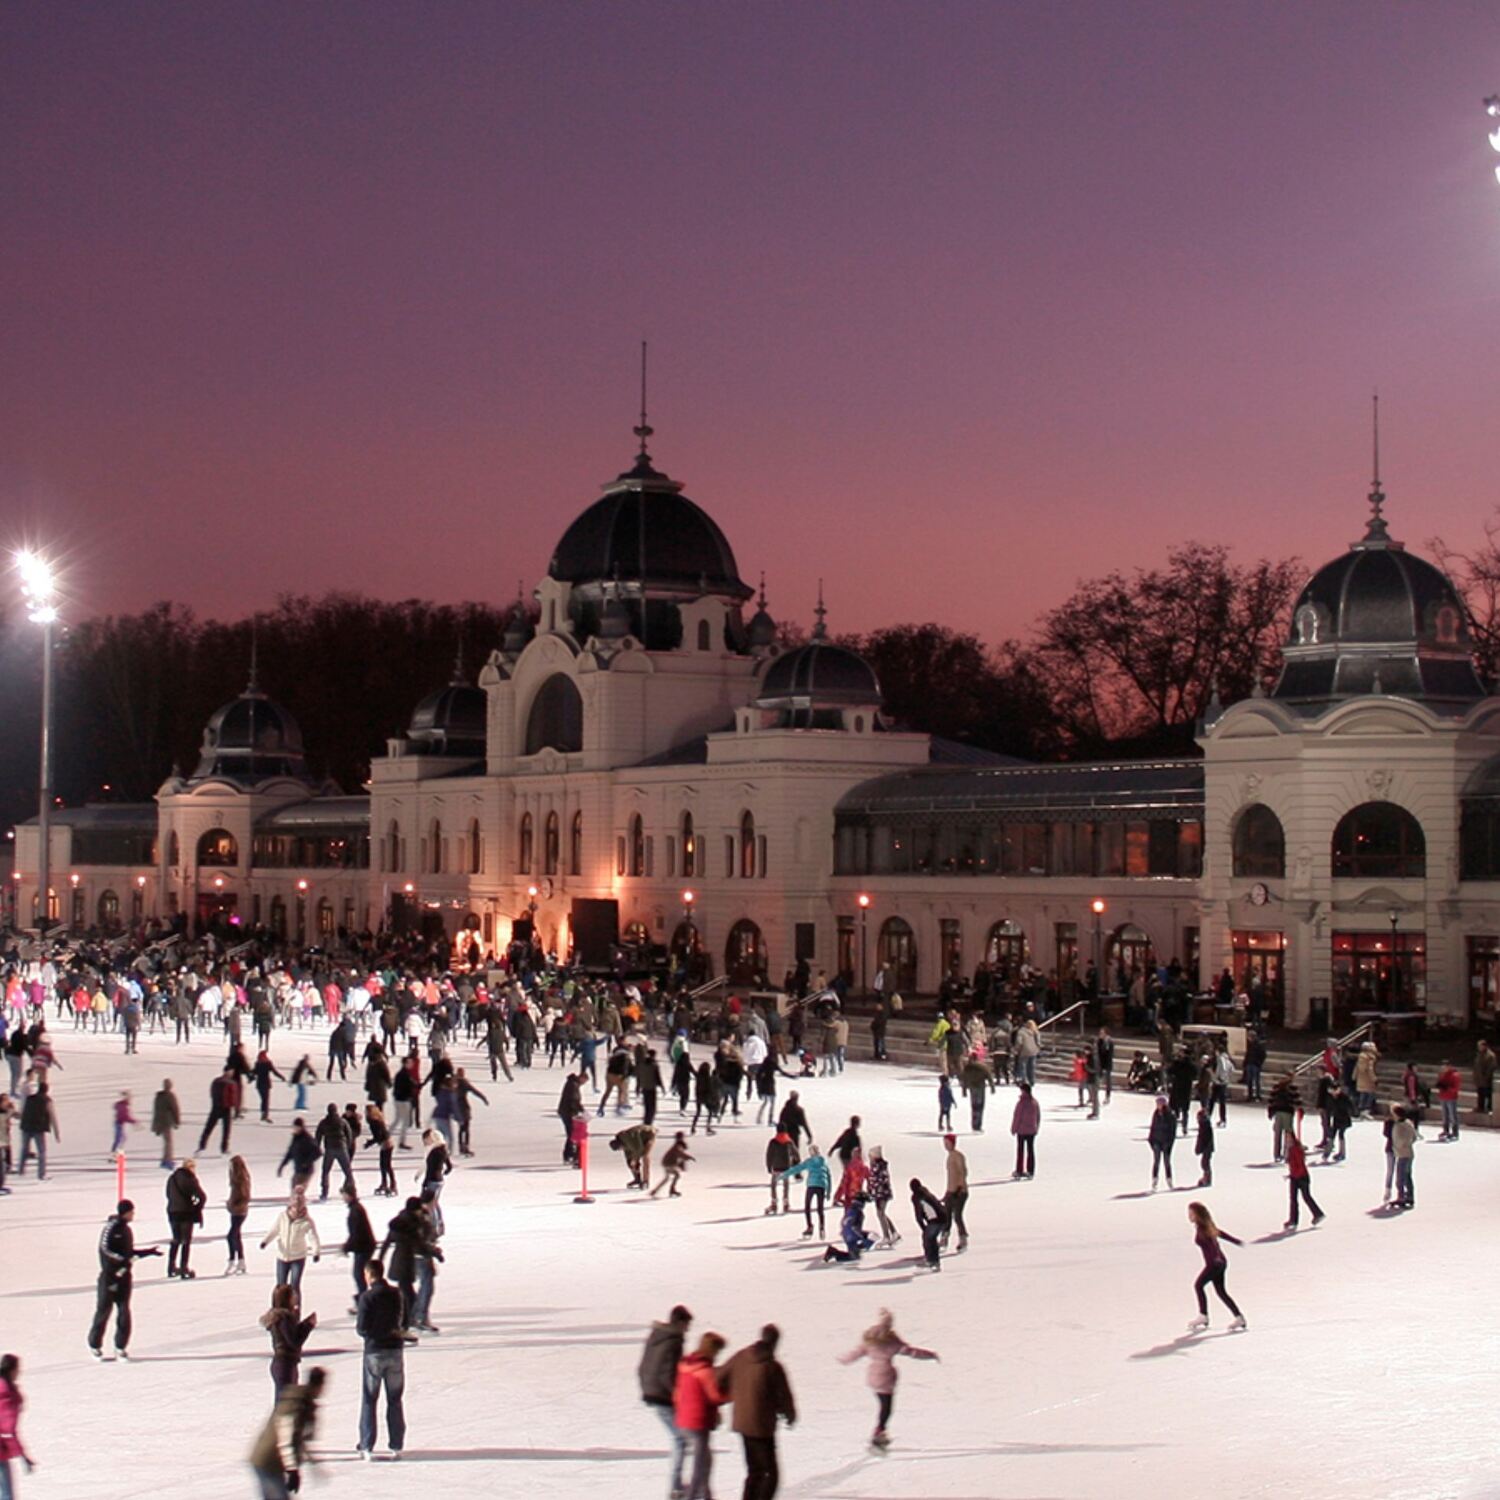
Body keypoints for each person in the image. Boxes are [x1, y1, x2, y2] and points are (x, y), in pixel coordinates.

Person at [837, 1308, 938, 1449]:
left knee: (883, 1405)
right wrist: (930, 1354)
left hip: (873, 1376)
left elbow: (856, 1353)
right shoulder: (892, 1342)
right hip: (886, 1377)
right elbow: (911, 1352)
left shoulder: (869, 1341)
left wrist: (844, 1359)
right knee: (886, 1407)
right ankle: (879, 1432)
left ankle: (880, 1431)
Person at [719, 1323, 796, 1500]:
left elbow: (719, 1377)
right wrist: (789, 1415)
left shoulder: (741, 1356)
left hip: (742, 1422)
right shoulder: (772, 1366)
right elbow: (783, 1395)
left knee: (755, 1472)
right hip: (761, 1426)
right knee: (770, 1474)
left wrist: (734, 1394)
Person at [88, 1200, 161, 1360]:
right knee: (104, 1311)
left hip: (124, 1277)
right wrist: (120, 1260)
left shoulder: (126, 1230)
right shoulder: (111, 1228)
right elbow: (105, 1249)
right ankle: (95, 1344)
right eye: (132, 1212)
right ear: (125, 1212)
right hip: (109, 1277)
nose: (133, 1215)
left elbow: (129, 1252)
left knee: (124, 1312)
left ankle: (120, 1346)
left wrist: (148, 1252)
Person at [638, 1304, 693, 1500]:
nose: (687, 1330)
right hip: (662, 1396)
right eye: (687, 1325)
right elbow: (668, 1374)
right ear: (680, 1322)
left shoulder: (656, 1336)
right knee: (681, 1438)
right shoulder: (674, 1341)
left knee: (682, 1437)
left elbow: (643, 1366)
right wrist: (680, 1397)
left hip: (651, 1391)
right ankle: (676, 1488)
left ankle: (678, 1486)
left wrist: (645, 1386)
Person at [249, 1364, 326, 1500]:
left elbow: (299, 1439)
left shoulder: (303, 1401)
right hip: (267, 1461)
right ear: (318, 1385)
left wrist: (312, 1463)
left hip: (270, 1461)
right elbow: (287, 1439)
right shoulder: (295, 1404)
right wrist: (292, 1470)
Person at [356, 1259, 407, 1460]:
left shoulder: (367, 1297)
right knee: (394, 1399)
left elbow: (361, 1328)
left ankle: (367, 1445)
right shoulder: (396, 1294)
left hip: (374, 1352)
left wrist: (371, 1333)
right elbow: (404, 1319)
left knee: (370, 1399)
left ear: (369, 1275)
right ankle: (396, 1444)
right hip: (395, 1350)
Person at [673, 1331, 728, 1500]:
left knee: (705, 1461)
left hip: (683, 1420)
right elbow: (715, 1396)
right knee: (700, 1466)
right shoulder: (704, 1370)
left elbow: (677, 1393)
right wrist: (733, 1395)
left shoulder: (684, 1364)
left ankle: (706, 1495)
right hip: (698, 1422)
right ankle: (695, 1496)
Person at [1186, 1201, 1246, 1332]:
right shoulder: (1205, 1225)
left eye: (1191, 1213)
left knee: (1198, 1285)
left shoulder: (1203, 1227)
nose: (1189, 1216)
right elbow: (1219, 1233)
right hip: (1219, 1262)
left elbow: (1213, 1245)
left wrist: (1216, 1257)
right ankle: (1238, 1317)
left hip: (1215, 1263)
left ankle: (1203, 1315)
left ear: (1197, 1215)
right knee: (1221, 1291)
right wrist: (1236, 1241)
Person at [261, 1283, 317, 1397]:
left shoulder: (281, 1316)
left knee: (284, 1401)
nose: (296, 1297)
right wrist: (308, 1325)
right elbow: (294, 1341)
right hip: (285, 1364)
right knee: (286, 1402)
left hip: (283, 1362)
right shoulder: (284, 1317)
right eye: (293, 1295)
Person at [261, 1191, 322, 1289]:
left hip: (298, 1257)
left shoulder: (307, 1221)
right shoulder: (282, 1217)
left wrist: (316, 1253)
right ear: (291, 1205)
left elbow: (313, 1238)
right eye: (295, 1206)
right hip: (282, 1256)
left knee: (295, 1285)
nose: (297, 1209)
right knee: (281, 1286)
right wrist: (265, 1241)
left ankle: (296, 1304)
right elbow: (275, 1230)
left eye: (299, 1207)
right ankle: (281, 1304)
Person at [164, 1156, 206, 1279]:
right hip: (186, 1213)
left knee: (176, 1239)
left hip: (172, 1211)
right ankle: (184, 1268)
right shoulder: (190, 1179)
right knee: (186, 1242)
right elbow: (202, 1196)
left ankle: (171, 1267)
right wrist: (197, 1207)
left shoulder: (172, 1178)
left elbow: (167, 1194)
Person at [0, 1352, 35, 1498]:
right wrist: (22, 1456)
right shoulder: (7, 1396)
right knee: (6, 1494)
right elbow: (7, 1431)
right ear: (12, 1370)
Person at [340, 1180, 377, 1311]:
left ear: (349, 1195)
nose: (342, 1197)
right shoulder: (356, 1208)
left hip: (364, 1247)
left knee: (358, 1274)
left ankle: (363, 1302)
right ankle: (362, 1300)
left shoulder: (356, 1211)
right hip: (364, 1246)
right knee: (359, 1274)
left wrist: (346, 1247)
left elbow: (356, 1233)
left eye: (343, 1194)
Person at [781, 1144, 831, 1238]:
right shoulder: (823, 1161)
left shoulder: (810, 1162)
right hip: (821, 1185)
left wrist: (784, 1175)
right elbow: (828, 1176)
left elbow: (797, 1168)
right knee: (820, 1208)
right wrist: (828, 1191)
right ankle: (821, 1227)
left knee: (807, 1207)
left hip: (812, 1185)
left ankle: (810, 1226)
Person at [16, 1082, 58, 1180]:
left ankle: (21, 1170)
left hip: (26, 1126)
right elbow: (53, 1116)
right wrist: (56, 1132)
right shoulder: (47, 1100)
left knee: (24, 1149)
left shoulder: (30, 1098)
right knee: (42, 1151)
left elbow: (23, 1112)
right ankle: (41, 1174)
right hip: (38, 1128)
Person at [1284, 1131, 1324, 1230]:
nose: (1287, 1141)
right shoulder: (1290, 1150)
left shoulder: (1296, 1149)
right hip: (1294, 1177)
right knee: (1293, 1199)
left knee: (1306, 1196)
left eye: (1289, 1138)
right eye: (1286, 1139)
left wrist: (1295, 1175)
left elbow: (1300, 1165)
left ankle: (1318, 1213)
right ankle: (1293, 1220)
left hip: (1302, 1177)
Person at [910, 1177, 949, 1271]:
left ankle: (932, 1261)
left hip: (936, 1220)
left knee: (929, 1239)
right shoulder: (926, 1193)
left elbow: (918, 1215)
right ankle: (932, 1261)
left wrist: (923, 1228)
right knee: (930, 1239)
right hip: (943, 1217)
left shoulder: (917, 1197)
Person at [197, 1066, 236, 1155]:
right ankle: (224, 1148)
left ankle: (202, 1145)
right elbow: (233, 1097)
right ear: (227, 1072)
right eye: (231, 1071)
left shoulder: (216, 1081)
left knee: (209, 1127)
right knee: (226, 1130)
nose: (232, 1073)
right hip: (226, 1108)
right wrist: (234, 1107)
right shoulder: (231, 1083)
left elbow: (212, 1092)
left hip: (216, 1107)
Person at [867, 1145, 899, 1246]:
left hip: (882, 1194)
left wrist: (875, 1189)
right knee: (882, 1214)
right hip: (878, 1193)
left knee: (880, 1213)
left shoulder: (879, 1167)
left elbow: (879, 1180)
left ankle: (887, 1236)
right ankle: (893, 1233)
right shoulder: (875, 1166)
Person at [941, 1135, 969, 1251]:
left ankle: (963, 1239)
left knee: (957, 1216)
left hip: (960, 1192)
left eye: (947, 1143)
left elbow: (963, 1172)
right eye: (944, 1143)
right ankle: (944, 1239)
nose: (945, 1145)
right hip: (951, 1191)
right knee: (946, 1216)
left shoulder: (958, 1156)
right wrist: (947, 1193)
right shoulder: (949, 1157)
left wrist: (959, 1187)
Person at [227, 1155, 252, 1275]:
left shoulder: (241, 1179)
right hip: (235, 1210)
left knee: (231, 1235)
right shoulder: (236, 1179)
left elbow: (245, 1196)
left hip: (240, 1211)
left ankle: (233, 1260)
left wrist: (234, 1204)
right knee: (235, 1235)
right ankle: (240, 1261)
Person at [1010, 1081, 1039, 1180]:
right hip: (1031, 1130)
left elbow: (1017, 1117)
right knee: (1030, 1150)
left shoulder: (1021, 1103)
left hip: (1022, 1130)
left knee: (1020, 1151)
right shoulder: (1034, 1102)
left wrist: (1014, 1128)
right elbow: (1038, 1116)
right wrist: (1036, 1127)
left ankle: (1019, 1170)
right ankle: (1031, 1170)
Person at [651, 1132, 694, 1198]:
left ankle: (655, 1191)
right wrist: (688, 1157)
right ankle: (672, 1189)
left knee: (667, 1178)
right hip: (669, 1163)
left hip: (667, 1163)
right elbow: (680, 1153)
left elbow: (680, 1155)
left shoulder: (678, 1145)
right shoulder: (678, 1146)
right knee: (677, 1175)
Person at [764, 1130, 797, 1215]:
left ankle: (774, 1203)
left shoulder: (773, 1141)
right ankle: (786, 1202)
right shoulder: (789, 1141)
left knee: (773, 1185)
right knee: (786, 1185)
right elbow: (795, 1153)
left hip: (776, 1167)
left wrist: (769, 1166)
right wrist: (795, 1162)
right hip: (786, 1167)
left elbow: (769, 1155)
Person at [1149, 1094, 1176, 1190]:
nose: (1157, 1105)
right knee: (1156, 1162)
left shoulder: (1170, 1115)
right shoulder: (1156, 1114)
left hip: (1166, 1142)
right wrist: (1151, 1140)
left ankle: (1169, 1181)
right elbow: (1152, 1127)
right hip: (1156, 1141)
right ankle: (1154, 1181)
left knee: (1167, 1162)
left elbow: (1173, 1131)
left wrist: (1169, 1143)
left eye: (1159, 1103)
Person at [1391, 1106, 1417, 1209]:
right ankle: (1409, 1197)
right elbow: (1414, 1137)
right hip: (1408, 1152)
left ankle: (1401, 1197)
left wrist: (1399, 1146)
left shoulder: (1400, 1126)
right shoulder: (1408, 1123)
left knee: (1401, 1177)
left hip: (1403, 1153)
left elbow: (1400, 1139)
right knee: (1407, 1176)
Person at [151, 1079, 180, 1169]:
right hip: (166, 1122)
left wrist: (155, 1125)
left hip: (160, 1122)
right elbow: (175, 1109)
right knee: (168, 1142)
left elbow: (156, 1111)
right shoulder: (169, 1096)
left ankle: (165, 1160)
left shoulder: (158, 1097)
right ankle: (168, 1161)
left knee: (166, 1142)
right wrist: (177, 1121)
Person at [1436, 1060, 1461, 1141]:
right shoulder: (1442, 1075)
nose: (1444, 1068)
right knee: (1444, 1116)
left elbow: (1456, 1088)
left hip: (1451, 1097)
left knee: (1452, 1115)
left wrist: (1448, 1088)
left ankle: (1455, 1132)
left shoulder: (1455, 1075)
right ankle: (1445, 1131)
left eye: (1445, 1066)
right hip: (1443, 1096)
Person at [1194, 1105, 1215, 1187]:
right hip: (1206, 1148)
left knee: (1205, 1164)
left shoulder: (1205, 1126)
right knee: (1204, 1163)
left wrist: (1201, 1148)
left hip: (1207, 1148)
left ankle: (1207, 1180)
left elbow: (1205, 1139)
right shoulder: (1203, 1126)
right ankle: (1206, 1178)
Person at [110, 1091, 136, 1156]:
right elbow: (124, 1116)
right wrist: (133, 1122)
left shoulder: (123, 1105)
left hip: (119, 1123)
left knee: (121, 1139)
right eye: (129, 1097)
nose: (130, 1099)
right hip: (119, 1123)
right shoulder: (123, 1106)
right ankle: (115, 1155)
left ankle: (117, 1154)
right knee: (119, 1139)